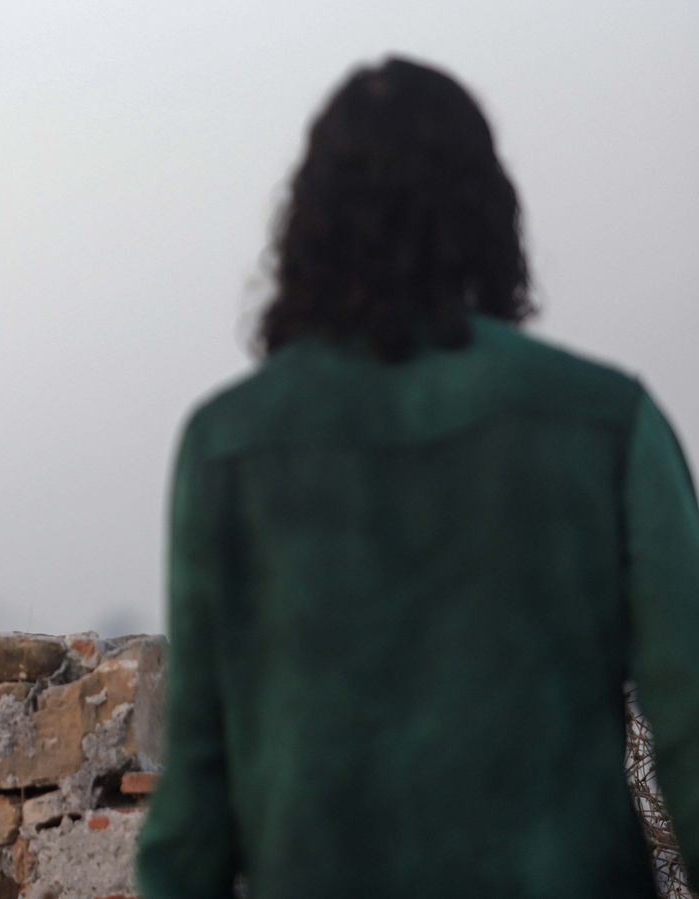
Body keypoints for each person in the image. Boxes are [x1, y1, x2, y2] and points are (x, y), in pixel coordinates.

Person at [136, 57, 697, 897]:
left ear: (310, 227)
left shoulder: (228, 446)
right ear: (487, 210)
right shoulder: (608, 420)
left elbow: (196, 796)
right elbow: (690, 717)